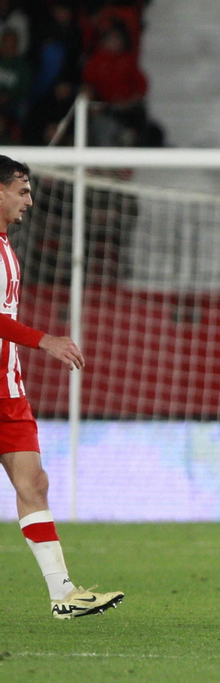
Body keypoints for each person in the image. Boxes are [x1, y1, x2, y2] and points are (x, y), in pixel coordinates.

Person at [0, 157, 123, 619]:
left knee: (34, 483)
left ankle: (63, 595)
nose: (30, 201)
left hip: (7, 389)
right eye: (22, 191)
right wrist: (43, 340)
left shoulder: (5, 246)